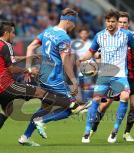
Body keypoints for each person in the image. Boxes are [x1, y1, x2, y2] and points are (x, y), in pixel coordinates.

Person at [0, 21, 79, 147]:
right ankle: (70, 104)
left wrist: (29, 57)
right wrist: (28, 70)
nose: (14, 35)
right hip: (7, 85)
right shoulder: (6, 45)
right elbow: (11, 68)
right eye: (13, 33)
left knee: (6, 111)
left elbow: (10, 60)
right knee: (39, 91)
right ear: (6, 33)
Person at [18, 8, 87, 146]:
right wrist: (73, 81)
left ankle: (25, 137)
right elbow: (65, 63)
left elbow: (30, 47)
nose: (74, 27)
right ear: (69, 22)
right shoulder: (64, 38)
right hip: (54, 79)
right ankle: (42, 121)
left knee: (45, 107)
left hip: (42, 76)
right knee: (72, 108)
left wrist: (29, 68)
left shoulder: (48, 31)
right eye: (74, 24)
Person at [79, 10, 134, 143]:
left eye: (114, 21)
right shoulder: (99, 36)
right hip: (105, 74)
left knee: (126, 97)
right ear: (105, 21)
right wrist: (81, 59)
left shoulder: (128, 35)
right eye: (109, 21)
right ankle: (87, 130)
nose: (111, 24)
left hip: (121, 75)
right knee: (97, 101)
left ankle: (116, 130)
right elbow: (91, 52)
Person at [73, 27, 94, 103]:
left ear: (88, 34)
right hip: (78, 66)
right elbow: (73, 54)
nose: (84, 35)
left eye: (85, 33)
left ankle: (87, 101)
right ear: (79, 34)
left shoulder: (91, 43)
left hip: (89, 66)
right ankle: (83, 101)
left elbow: (94, 54)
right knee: (80, 85)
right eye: (82, 33)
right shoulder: (76, 43)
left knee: (87, 84)